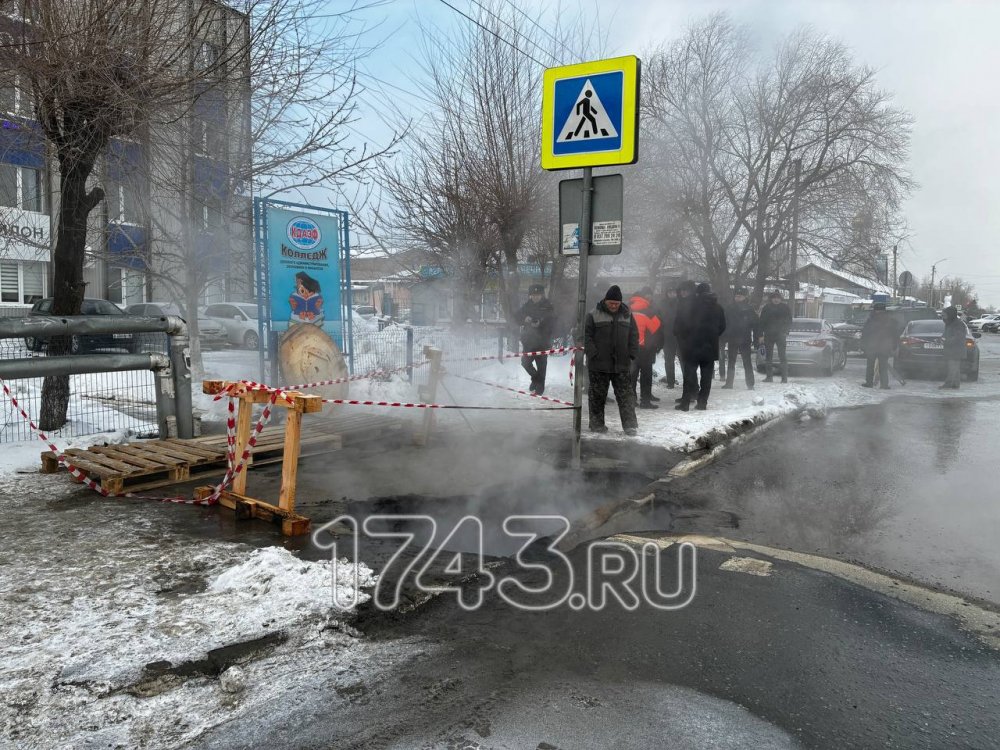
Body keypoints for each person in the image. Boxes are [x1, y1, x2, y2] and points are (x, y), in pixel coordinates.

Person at [585, 285, 639, 435]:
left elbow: (634, 334)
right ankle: (596, 425)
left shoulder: (628, 315)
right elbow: (586, 336)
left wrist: (632, 352)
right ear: (606, 301)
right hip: (598, 364)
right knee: (597, 396)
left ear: (620, 303)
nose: (614, 306)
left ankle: (630, 426)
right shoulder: (593, 314)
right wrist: (592, 353)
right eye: (611, 303)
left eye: (617, 304)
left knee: (626, 396)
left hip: (621, 364)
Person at [674, 282, 726, 411]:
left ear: (697, 292)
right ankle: (702, 403)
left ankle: (685, 403)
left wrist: (686, 339)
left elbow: (682, 325)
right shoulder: (718, 307)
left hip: (693, 346)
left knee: (689, 375)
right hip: (710, 347)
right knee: (707, 376)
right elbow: (722, 327)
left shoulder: (690, 306)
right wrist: (713, 336)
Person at [516, 283, 555, 395]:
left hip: (543, 341)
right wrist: (525, 318)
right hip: (529, 341)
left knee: (541, 365)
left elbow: (552, 320)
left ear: (542, 295)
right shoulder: (526, 306)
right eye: (533, 295)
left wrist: (541, 322)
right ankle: (536, 379)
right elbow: (517, 317)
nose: (535, 297)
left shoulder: (548, 306)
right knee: (525, 362)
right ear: (530, 295)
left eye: (537, 295)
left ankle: (540, 386)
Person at [628, 287, 662, 409]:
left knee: (632, 375)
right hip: (645, 348)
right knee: (646, 375)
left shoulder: (627, 309)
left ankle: (631, 400)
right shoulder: (649, 311)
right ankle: (645, 401)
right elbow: (655, 328)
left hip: (630, 347)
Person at [721, 287, 758, 390]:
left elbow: (755, 324)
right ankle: (729, 383)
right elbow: (724, 323)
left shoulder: (749, 309)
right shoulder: (729, 308)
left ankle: (750, 384)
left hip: (745, 339)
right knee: (731, 361)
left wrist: (756, 338)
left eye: (740, 296)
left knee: (747, 362)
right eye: (736, 296)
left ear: (745, 297)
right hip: (732, 338)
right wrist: (724, 337)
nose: (737, 298)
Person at [860, 301, 898, 389]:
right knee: (883, 367)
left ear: (875, 310)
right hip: (884, 347)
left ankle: (869, 383)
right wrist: (894, 345)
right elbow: (894, 334)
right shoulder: (890, 320)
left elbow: (865, 333)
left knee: (870, 366)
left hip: (872, 346)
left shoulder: (871, 319)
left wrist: (863, 345)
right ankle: (884, 384)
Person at [758, 290, 792, 383]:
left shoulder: (785, 308)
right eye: (774, 298)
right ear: (771, 299)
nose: (776, 300)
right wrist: (760, 335)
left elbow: (789, 321)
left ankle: (784, 378)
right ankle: (769, 377)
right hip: (768, 335)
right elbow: (761, 322)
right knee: (768, 357)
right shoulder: (766, 308)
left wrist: (785, 331)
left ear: (780, 299)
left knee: (782, 356)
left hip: (780, 335)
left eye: (778, 298)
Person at [673, 280, 698, 401]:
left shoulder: (693, 303)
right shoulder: (682, 302)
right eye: (681, 290)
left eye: (685, 290)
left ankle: (691, 393)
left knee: (689, 367)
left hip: (690, 340)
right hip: (682, 339)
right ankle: (692, 392)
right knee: (686, 367)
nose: (683, 292)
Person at [941, 305, 966, 390]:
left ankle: (949, 384)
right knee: (955, 368)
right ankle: (955, 385)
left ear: (950, 314)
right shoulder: (949, 323)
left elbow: (957, 338)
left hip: (956, 351)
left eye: (944, 315)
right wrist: (941, 339)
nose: (943, 317)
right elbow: (946, 334)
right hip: (951, 350)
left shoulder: (958, 324)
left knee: (953, 368)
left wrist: (946, 341)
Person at [659, 287, 679, 388]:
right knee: (668, 360)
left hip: (679, 336)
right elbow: (659, 319)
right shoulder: (662, 304)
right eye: (670, 292)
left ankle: (689, 383)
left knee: (683, 360)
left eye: (673, 292)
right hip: (666, 335)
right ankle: (670, 382)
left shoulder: (680, 303)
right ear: (667, 293)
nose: (672, 294)